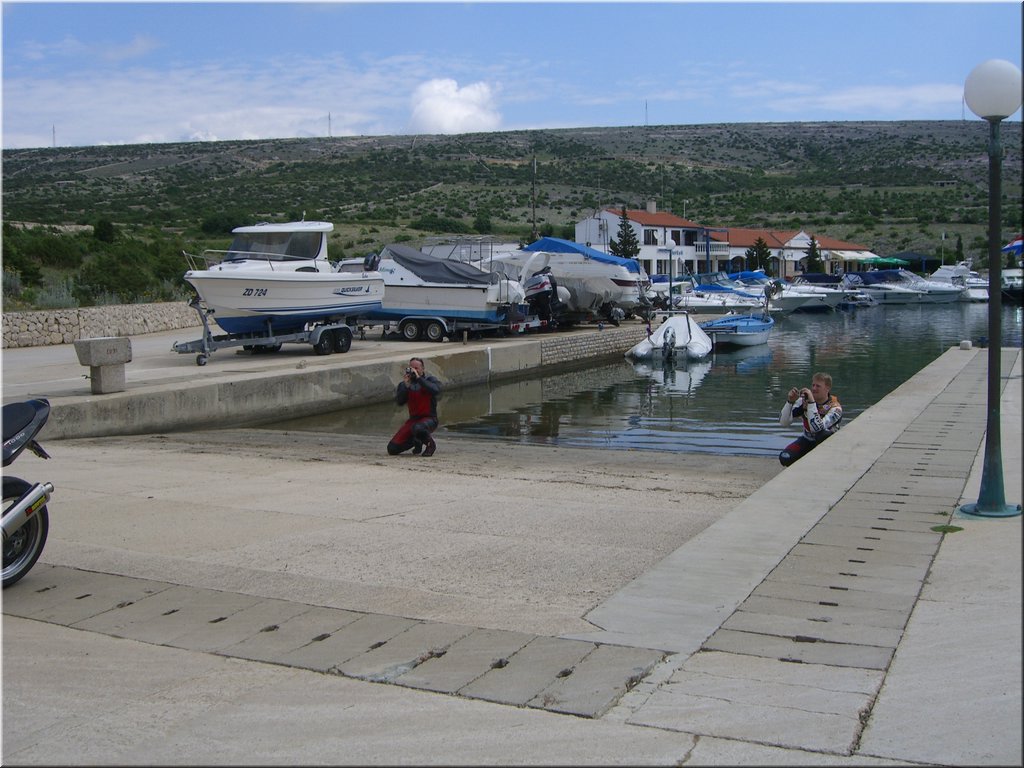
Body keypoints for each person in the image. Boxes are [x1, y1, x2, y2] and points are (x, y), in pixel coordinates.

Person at [778, 372, 842, 467]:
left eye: (818, 386)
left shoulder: (835, 408)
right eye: (813, 385)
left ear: (827, 388)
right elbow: (783, 422)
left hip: (828, 443)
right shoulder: (803, 400)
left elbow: (817, 429)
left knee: (823, 434)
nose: (814, 389)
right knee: (785, 457)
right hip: (807, 439)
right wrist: (790, 401)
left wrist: (811, 403)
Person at [387, 357, 442, 457]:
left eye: (416, 368)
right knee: (392, 448)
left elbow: (436, 390)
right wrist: (406, 386)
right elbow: (400, 402)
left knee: (418, 428)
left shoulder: (430, 380)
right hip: (413, 420)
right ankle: (416, 441)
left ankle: (430, 445)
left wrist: (419, 379)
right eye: (411, 368)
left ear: (422, 369)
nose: (414, 370)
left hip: (429, 419)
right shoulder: (405, 384)